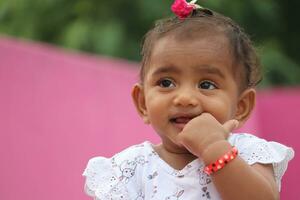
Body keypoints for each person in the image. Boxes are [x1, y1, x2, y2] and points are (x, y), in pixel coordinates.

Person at [83, 0, 294, 199]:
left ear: (241, 106)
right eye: (166, 83)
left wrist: (214, 148)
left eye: (206, 85)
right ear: (143, 102)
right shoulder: (127, 170)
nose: (185, 98)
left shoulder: (248, 153)